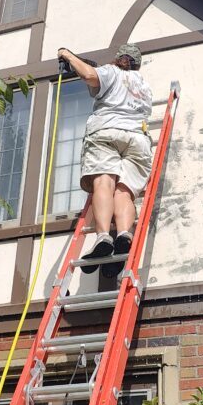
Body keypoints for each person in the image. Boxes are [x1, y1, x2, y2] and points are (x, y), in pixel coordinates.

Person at [57, 44, 153, 276]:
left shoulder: (111, 72)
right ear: (137, 65)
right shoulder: (144, 87)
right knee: (124, 191)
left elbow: (90, 75)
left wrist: (68, 55)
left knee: (104, 182)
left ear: (119, 59)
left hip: (106, 131)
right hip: (137, 139)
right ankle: (123, 235)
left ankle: (102, 238)